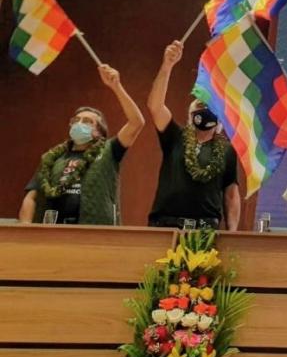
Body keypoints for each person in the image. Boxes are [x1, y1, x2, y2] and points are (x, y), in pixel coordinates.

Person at [19, 64, 145, 225]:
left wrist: (116, 86)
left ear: (99, 132)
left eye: (87, 122)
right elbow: (31, 198)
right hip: (53, 232)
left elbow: (137, 123)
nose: (79, 124)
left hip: (94, 234)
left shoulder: (109, 150)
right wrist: (26, 230)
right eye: (76, 120)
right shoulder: (53, 158)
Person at [146, 41, 240, 230]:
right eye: (199, 105)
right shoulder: (175, 136)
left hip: (206, 231)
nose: (204, 108)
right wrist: (167, 66)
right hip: (165, 226)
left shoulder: (228, 150)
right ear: (190, 114)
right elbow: (155, 106)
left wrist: (232, 233)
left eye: (210, 105)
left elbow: (231, 193)